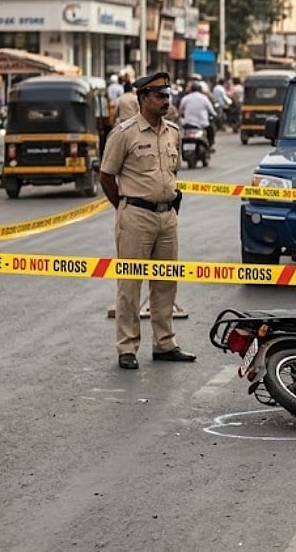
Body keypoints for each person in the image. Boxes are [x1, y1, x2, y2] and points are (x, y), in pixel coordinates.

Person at [99, 72, 195, 371]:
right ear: (142, 99)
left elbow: (174, 171)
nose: (166, 101)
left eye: (167, 96)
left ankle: (164, 343)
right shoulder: (124, 133)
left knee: (165, 282)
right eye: (159, 96)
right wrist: (125, 208)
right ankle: (127, 347)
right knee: (130, 284)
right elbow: (106, 176)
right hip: (136, 216)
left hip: (167, 216)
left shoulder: (172, 132)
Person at [179, 81, 217, 148]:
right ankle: (210, 146)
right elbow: (211, 111)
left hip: (188, 124)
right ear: (200, 90)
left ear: (191, 90)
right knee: (211, 130)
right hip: (202, 124)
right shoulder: (204, 98)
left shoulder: (185, 98)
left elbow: (180, 110)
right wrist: (214, 115)